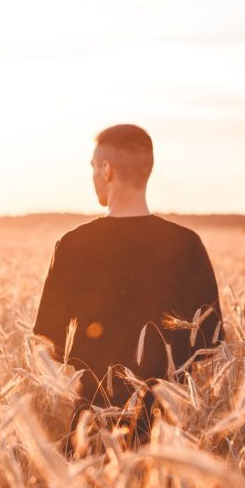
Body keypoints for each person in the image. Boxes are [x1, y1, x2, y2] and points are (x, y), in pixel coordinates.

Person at [32, 124, 225, 452]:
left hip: (93, 425)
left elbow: (52, 341)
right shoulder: (187, 245)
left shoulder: (72, 245)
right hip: (169, 428)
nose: (93, 175)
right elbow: (207, 340)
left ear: (106, 170)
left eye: (94, 167)